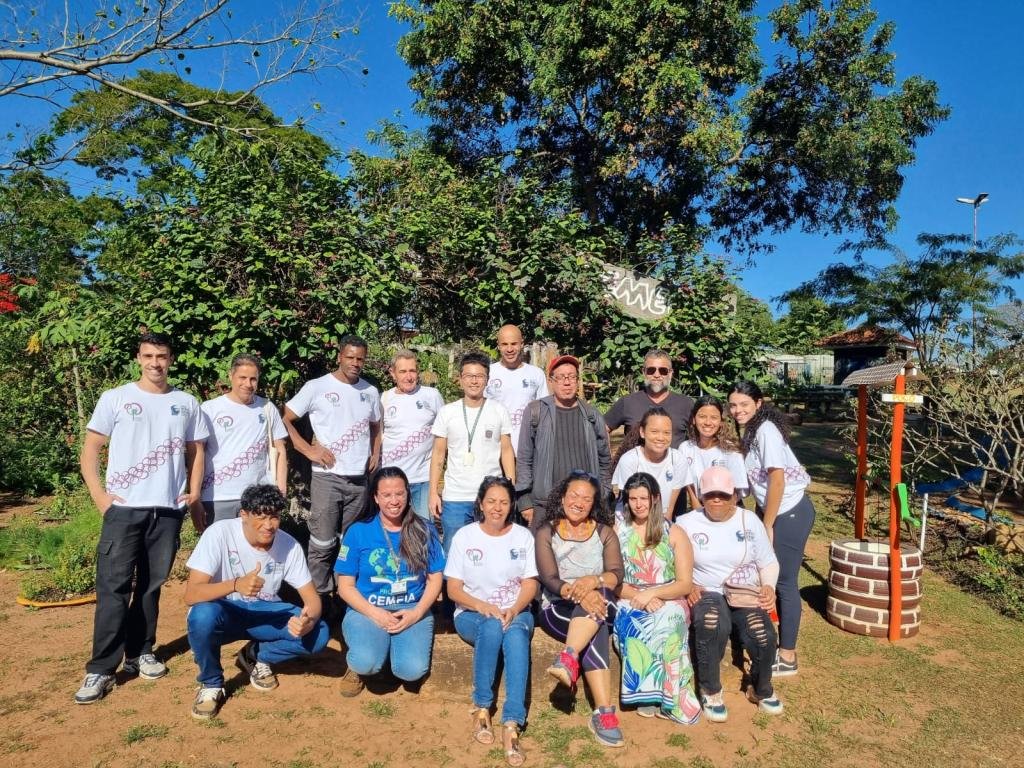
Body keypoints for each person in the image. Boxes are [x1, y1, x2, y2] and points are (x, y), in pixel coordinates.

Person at [75, 332, 209, 704]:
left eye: (161, 356)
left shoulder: (186, 402)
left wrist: (194, 493)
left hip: (166, 511)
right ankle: (101, 669)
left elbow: (197, 450)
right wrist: (100, 497)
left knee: (151, 587)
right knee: (113, 588)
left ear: (171, 359)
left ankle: (141, 652)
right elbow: (90, 450)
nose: (155, 363)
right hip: (123, 510)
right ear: (138, 358)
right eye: (148, 356)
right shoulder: (116, 398)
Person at [184, 485, 329, 719]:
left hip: (265, 613)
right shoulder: (219, 533)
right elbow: (191, 594)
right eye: (260, 517)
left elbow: (312, 598)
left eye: (274, 517)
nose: (268, 525)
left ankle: (256, 655)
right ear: (244, 514)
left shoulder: (289, 545)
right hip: (226, 612)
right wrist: (235, 584)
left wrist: (308, 620)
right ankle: (211, 683)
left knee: (319, 632)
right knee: (202, 615)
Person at [677, 467, 783, 723]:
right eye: (710, 494)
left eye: (723, 495)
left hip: (743, 591)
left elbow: (768, 561)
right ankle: (710, 690)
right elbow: (673, 561)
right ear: (701, 496)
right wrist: (688, 584)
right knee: (712, 623)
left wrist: (768, 586)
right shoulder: (686, 523)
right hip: (706, 590)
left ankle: (760, 688)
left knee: (762, 634)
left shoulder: (749, 521)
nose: (717, 499)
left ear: (734, 495)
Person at [445, 477, 538, 767]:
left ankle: (512, 722)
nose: (497, 508)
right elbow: (453, 589)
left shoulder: (523, 537)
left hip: (516, 611)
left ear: (511, 505)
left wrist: (515, 608)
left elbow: (530, 583)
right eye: (491, 501)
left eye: (504, 502)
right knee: (492, 625)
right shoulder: (465, 537)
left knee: (516, 636)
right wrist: (482, 606)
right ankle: (482, 706)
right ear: (481, 504)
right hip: (472, 614)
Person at [283, 336, 382, 608]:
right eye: (350, 357)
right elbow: (285, 418)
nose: (355, 363)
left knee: (350, 545)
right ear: (339, 357)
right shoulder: (317, 387)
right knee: (322, 543)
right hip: (327, 477)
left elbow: (376, 426)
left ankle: (346, 599)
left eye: (360, 358)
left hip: (359, 481)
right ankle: (319, 602)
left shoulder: (370, 392)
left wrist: (375, 453)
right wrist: (307, 449)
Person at [728, 381, 815, 678]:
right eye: (733, 405)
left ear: (758, 403)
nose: (737, 410)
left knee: (784, 581)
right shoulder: (751, 431)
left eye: (744, 404)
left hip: (790, 512)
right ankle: (767, 636)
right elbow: (758, 482)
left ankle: (788, 655)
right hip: (772, 511)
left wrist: (767, 523)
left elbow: (777, 480)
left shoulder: (765, 430)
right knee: (766, 576)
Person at [336, 467, 445, 697]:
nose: (394, 501)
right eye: (386, 495)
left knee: (411, 670)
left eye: (399, 493)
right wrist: (375, 613)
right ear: (375, 498)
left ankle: (390, 656)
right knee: (366, 662)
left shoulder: (425, 529)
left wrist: (416, 613)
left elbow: (435, 579)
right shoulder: (358, 531)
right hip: (368, 609)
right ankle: (358, 665)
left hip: (411, 608)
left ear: (408, 494)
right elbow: (345, 587)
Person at [535, 472, 625, 749]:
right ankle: (604, 713)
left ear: (594, 503)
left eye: (587, 498)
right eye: (574, 495)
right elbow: (549, 578)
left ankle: (568, 657)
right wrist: (579, 593)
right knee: (597, 626)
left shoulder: (604, 533)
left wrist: (592, 582)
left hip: (599, 599)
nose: (579, 502)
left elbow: (616, 573)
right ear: (562, 498)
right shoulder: (547, 532)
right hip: (558, 605)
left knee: (601, 597)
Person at [613, 472, 701, 725]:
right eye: (632, 499)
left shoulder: (674, 532)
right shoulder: (618, 532)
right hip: (630, 595)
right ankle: (646, 695)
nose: (638, 504)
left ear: (655, 499)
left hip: (670, 596)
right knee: (634, 621)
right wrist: (639, 596)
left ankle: (670, 698)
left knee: (668, 621)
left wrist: (653, 593)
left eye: (643, 498)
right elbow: (613, 580)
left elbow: (684, 583)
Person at [429, 351, 516, 556]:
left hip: (490, 496)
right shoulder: (447, 412)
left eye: (479, 376)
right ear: (460, 379)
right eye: (469, 376)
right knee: (454, 552)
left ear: (487, 379)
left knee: (492, 552)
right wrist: (433, 492)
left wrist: (510, 488)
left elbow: (506, 450)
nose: (474, 381)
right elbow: (438, 455)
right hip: (455, 497)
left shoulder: (499, 410)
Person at [516, 354, 611, 530]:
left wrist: (602, 493)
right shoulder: (536, 412)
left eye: (571, 377)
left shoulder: (592, 415)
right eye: (560, 377)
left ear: (577, 381)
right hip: (545, 505)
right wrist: (524, 500)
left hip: (584, 506)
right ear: (550, 381)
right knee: (542, 548)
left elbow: (604, 459)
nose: (567, 382)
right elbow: (524, 458)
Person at [197, 354, 288, 527]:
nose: (248, 384)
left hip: (258, 497)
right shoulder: (209, 409)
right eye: (242, 378)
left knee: (257, 544)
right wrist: (195, 495)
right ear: (231, 376)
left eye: (253, 379)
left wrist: (281, 490)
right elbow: (197, 452)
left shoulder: (267, 408)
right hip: (217, 497)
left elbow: (280, 450)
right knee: (220, 543)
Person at [380, 350, 445, 520]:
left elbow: (444, 434)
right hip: (392, 481)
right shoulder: (384, 399)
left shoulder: (432, 396)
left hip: (423, 479)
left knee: (423, 529)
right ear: (392, 373)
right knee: (393, 527)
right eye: (403, 371)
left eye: (412, 371)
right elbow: (377, 437)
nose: (409, 377)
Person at [604, 349, 695, 449]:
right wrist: (606, 457)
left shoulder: (686, 404)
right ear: (644, 372)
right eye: (651, 370)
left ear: (670, 373)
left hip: (674, 459)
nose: (657, 375)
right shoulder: (627, 402)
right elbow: (602, 429)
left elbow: (701, 434)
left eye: (663, 371)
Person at [610, 407, 688, 520]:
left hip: (662, 517)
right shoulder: (629, 460)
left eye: (667, 432)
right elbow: (629, 501)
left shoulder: (678, 459)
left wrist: (665, 522)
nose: (661, 438)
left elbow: (670, 508)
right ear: (642, 432)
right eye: (654, 432)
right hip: (632, 516)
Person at [485, 324, 549, 455]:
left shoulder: (536, 374)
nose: (509, 349)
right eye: (504, 344)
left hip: (527, 450)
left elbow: (544, 413)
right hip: (493, 451)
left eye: (514, 344)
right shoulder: (488, 373)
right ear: (498, 345)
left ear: (522, 344)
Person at [678, 395, 748, 509]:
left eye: (714, 417)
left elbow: (738, 490)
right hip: (698, 507)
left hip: (728, 508)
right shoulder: (685, 448)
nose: (708, 422)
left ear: (721, 421)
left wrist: (719, 512)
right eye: (702, 416)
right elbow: (689, 484)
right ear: (694, 419)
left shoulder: (731, 450)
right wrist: (698, 510)